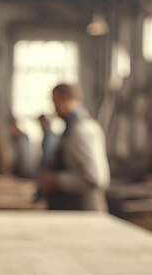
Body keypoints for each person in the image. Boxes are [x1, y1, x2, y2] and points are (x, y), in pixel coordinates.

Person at [38, 83, 110, 211]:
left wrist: (56, 180)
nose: (54, 108)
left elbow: (96, 178)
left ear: (65, 98)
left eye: (55, 102)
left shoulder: (82, 130)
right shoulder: (71, 129)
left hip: (84, 213)